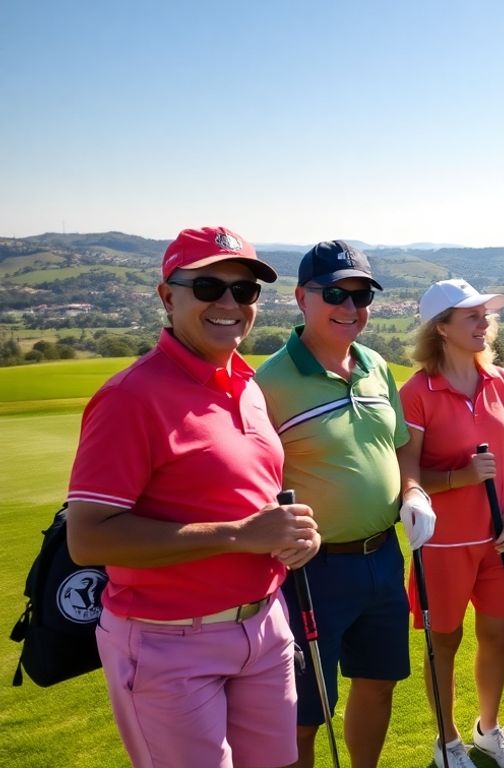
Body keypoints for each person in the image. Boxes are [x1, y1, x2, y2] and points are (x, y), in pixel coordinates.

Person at [66, 226, 321, 768]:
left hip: (264, 625)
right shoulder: (129, 398)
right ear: (168, 296)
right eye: (208, 287)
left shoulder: (247, 385)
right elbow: (88, 538)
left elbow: (247, 497)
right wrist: (241, 536)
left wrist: (292, 535)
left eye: (244, 291)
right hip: (167, 641)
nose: (228, 303)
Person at [255, 240, 433, 768]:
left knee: (378, 686)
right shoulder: (268, 383)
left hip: (382, 557)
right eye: (335, 293)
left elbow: (400, 445)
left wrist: (414, 490)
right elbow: (251, 478)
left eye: (360, 295)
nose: (350, 307)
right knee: (305, 715)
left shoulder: (375, 365)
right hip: (313, 571)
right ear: (301, 298)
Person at [397, 278, 504, 768]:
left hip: (500, 538)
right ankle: (447, 741)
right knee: (444, 643)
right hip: (443, 544)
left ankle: (488, 730)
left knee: (497, 634)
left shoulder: (502, 380)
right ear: (442, 327)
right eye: (471, 315)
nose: (484, 322)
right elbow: (406, 472)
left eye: (485, 315)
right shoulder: (417, 392)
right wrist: (457, 477)